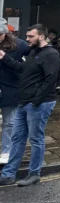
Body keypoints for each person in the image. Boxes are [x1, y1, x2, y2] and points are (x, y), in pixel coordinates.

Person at [0, 24, 60, 187]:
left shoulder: (51, 54)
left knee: (36, 139)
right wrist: (5, 57)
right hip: (23, 102)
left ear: (41, 36)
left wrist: (36, 101)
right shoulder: (34, 52)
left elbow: (50, 80)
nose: (27, 39)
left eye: (31, 36)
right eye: (27, 36)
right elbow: (22, 69)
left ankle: (34, 174)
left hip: (39, 104)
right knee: (17, 138)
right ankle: (8, 174)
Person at [0, 21, 30, 165]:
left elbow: (29, 66)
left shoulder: (20, 45)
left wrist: (5, 58)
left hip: (10, 88)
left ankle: (6, 152)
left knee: (9, 123)